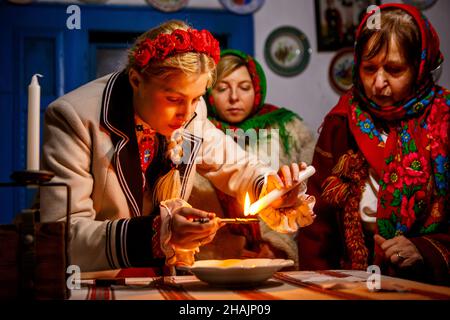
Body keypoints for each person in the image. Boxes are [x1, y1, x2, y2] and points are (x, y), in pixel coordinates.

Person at [39, 20, 315, 274]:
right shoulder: (75, 117)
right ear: (136, 80)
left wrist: (271, 189)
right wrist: (158, 233)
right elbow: (63, 236)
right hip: (96, 280)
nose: (187, 114)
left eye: (196, 99)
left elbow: (235, 164)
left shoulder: (193, 111)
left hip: (162, 279)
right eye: (173, 98)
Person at [297, 3, 449, 285]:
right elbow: (316, 221)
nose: (378, 83)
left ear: (421, 67)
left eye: (394, 69)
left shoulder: (445, 121)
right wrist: (315, 283)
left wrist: (426, 249)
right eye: (369, 69)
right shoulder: (342, 122)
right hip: (351, 282)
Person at [190, 49, 316, 266]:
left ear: (257, 89)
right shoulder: (192, 128)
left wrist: (276, 246)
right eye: (222, 88)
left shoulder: (288, 129)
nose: (234, 97)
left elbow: (311, 200)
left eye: (244, 87)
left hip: (273, 261)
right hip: (210, 262)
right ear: (208, 92)